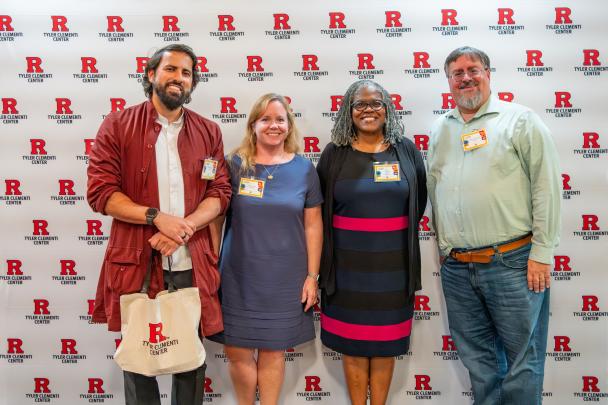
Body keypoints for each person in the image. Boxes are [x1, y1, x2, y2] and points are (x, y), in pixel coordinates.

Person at [87, 44, 232, 405]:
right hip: (136, 260)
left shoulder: (208, 131)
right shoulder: (118, 125)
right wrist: (157, 219)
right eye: (170, 69)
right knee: (138, 361)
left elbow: (220, 190)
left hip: (191, 263)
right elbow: (101, 193)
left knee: (190, 361)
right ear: (151, 74)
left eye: (186, 73)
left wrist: (183, 227)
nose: (178, 78)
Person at [427, 46, 561, 405]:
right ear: (449, 81)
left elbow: (546, 187)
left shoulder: (519, 120)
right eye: (457, 73)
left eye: (473, 69)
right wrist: (444, 248)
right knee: (480, 365)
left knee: (522, 363)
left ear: (488, 73)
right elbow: (435, 190)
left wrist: (542, 253)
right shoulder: (441, 129)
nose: (466, 77)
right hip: (458, 267)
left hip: (514, 263)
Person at [316, 80, 427, 405]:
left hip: (393, 270)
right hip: (347, 270)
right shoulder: (335, 154)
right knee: (352, 345)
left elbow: (417, 202)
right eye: (360, 104)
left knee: (385, 344)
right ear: (348, 112)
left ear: (387, 108)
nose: (368, 110)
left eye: (375, 103)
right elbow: (319, 209)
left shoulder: (405, 148)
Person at [208, 93, 323, 405]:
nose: (274, 125)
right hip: (237, 275)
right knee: (238, 352)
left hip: (285, 279)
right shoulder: (233, 166)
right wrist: (210, 266)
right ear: (253, 125)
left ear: (289, 126)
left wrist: (312, 276)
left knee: (274, 353)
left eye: (280, 119)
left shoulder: (304, 169)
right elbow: (215, 220)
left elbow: (313, 225)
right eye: (266, 119)